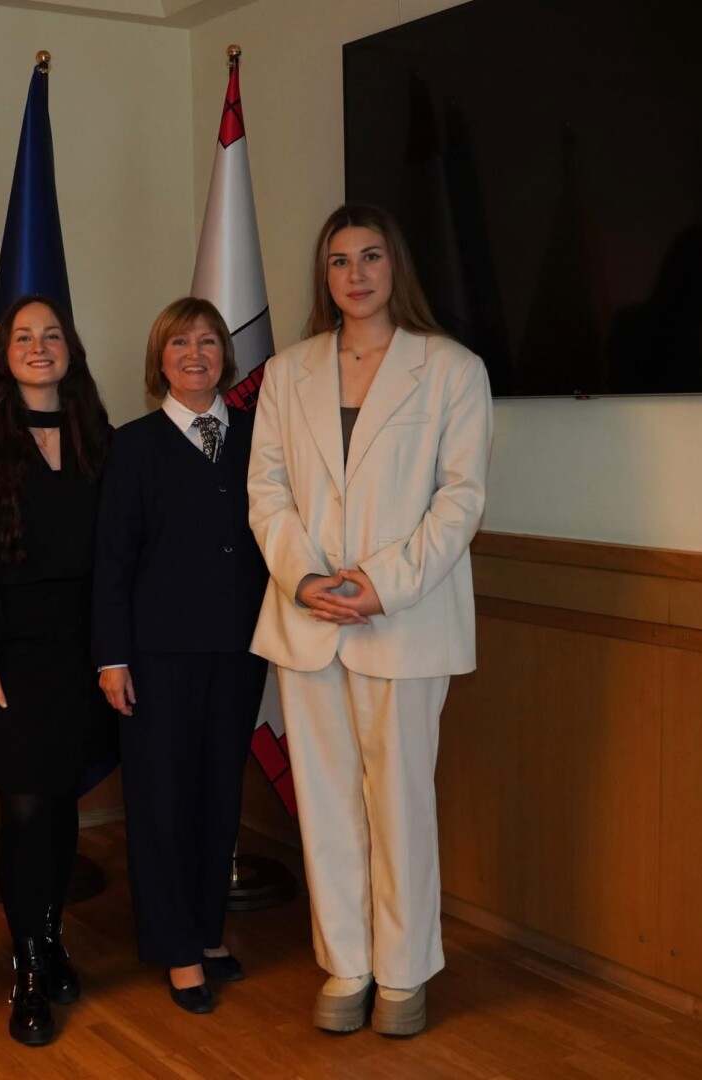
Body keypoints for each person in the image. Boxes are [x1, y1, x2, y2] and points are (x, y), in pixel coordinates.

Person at [247, 204, 492, 1037]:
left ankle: (403, 972)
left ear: (397, 267)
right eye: (339, 260)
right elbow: (267, 491)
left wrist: (379, 586)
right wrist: (307, 578)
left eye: (370, 257)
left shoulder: (451, 369)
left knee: (399, 801)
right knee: (324, 802)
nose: (355, 275)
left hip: (404, 620)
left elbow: (460, 501)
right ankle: (346, 964)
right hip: (308, 618)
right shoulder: (288, 373)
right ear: (324, 276)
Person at [93, 297, 269, 1014]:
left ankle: (207, 930)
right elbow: (112, 561)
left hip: (240, 650)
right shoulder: (133, 446)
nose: (195, 355)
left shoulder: (260, 436)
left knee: (220, 796)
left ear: (226, 355)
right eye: (179, 344)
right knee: (161, 803)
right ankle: (176, 949)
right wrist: (112, 658)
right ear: (158, 360)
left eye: (208, 342)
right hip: (156, 657)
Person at [0, 294, 112, 1047]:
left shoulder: (98, 438)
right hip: (11, 654)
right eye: (23, 337)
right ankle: (28, 969)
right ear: (2, 354)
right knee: (23, 812)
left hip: (82, 650)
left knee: (62, 800)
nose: (40, 346)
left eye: (52, 335)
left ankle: (50, 938)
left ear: (70, 348)